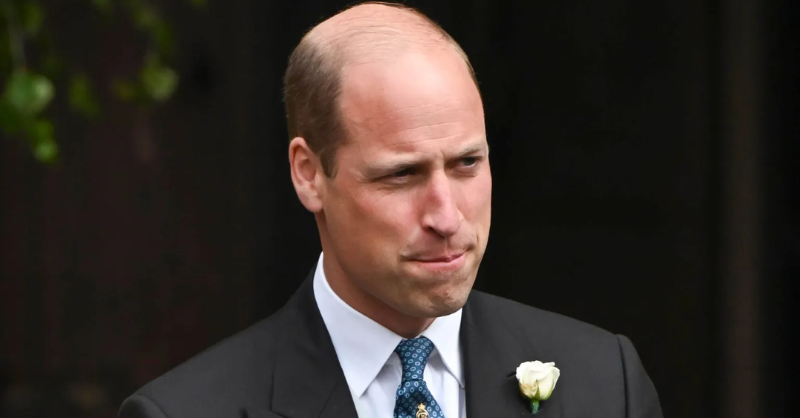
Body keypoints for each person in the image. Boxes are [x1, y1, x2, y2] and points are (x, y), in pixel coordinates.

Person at [118, 2, 663, 418]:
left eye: (467, 163)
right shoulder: (187, 411)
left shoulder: (605, 383)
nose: (446, 217)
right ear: (309, 174)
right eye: (401, 175)